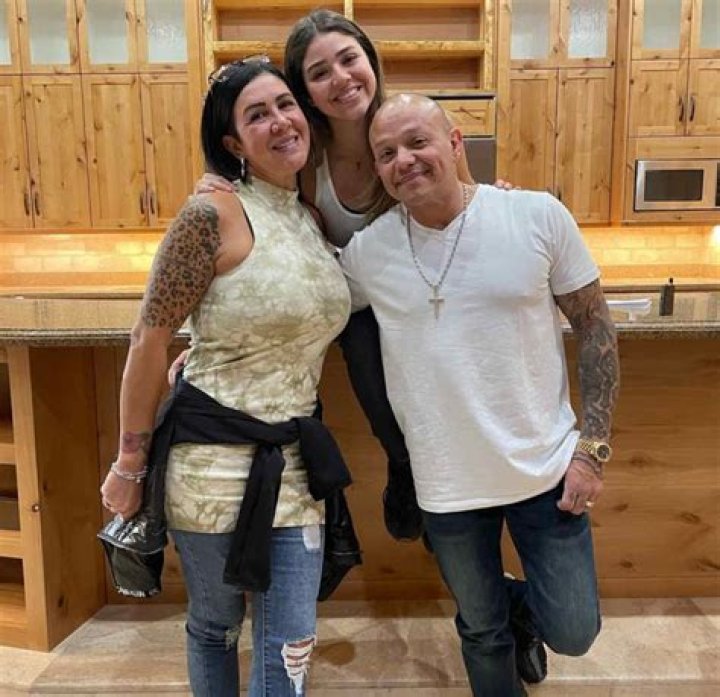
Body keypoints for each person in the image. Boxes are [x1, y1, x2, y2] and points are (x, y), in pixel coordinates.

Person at [340, 93, 620, 697]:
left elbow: (595, 325)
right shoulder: (368, 253)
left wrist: (592, 448)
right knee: (481, 628)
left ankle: (518, 606)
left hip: (544, 470)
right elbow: (307, 307)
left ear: (455, 143)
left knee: (574, 630)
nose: (403, 160)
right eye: (386, 153)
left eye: (418, 142)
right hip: (445, 485)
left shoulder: (535, 216)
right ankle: (498, 611)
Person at [99, 59, 352, 697]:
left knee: (291, 644)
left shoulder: (308, 218)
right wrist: (129, 464)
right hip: (210, 470)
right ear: (234, 142)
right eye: (257, 115)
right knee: (216, 627)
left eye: (286, 105)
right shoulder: (208, 214)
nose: (281, 122)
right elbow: (148, 339)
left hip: (294, 462)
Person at [197, 9, 481, 545]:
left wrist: (502, 197)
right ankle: (401, 465)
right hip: (347, 303)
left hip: (424, 293)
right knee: (357, 337)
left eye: (350, 59)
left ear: (371, 61)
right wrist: (214, 183)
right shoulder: (303, 154)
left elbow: (464, 203)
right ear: (304, 91)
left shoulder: (406, 128)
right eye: (319, 72)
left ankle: (450, 491)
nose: (341, 79)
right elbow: (259, 207)